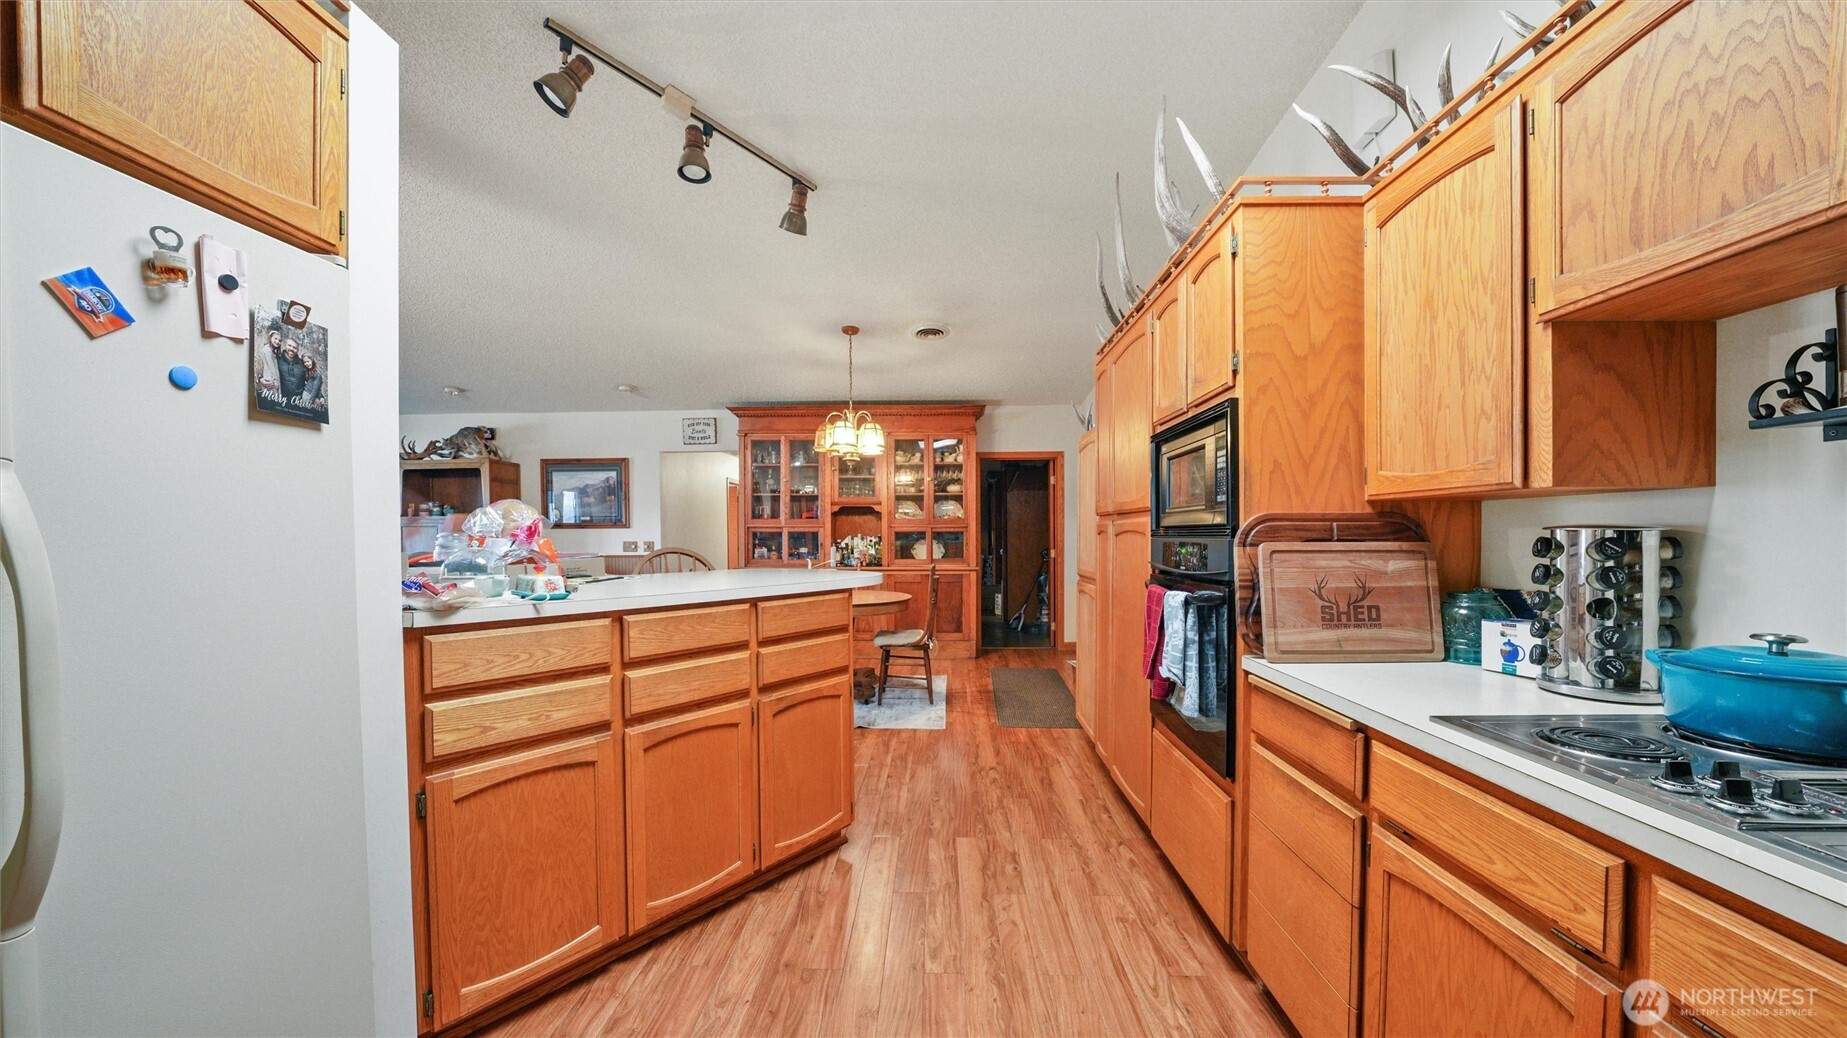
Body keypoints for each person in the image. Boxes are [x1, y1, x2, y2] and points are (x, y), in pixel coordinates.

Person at [277, 338, 306, 404]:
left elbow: (311, 379)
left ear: (297, 350)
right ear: (285, 345)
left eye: (294, 347)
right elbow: (269, 370)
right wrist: (261, 378)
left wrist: (320, 396)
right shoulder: (277, 359)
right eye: (289, 345)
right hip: (280, 400)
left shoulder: (302, 363)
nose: (292, 349)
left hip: (298, 402)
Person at [255, 327, 283, 395]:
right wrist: (275, 381)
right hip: (270, 377)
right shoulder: (267, 350)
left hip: (273, 376)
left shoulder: (273, 351)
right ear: (270, 338)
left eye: (279, 340)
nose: (277, 341)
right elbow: (271, 367)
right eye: (275, 339)